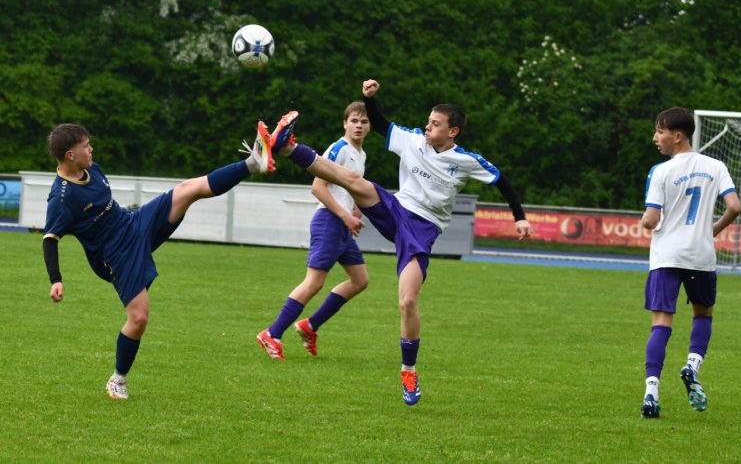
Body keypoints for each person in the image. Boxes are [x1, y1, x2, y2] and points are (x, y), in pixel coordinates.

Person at [260, 79, 532, 406]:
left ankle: (408, 371)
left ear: (453, 131)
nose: (427, 126)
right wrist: (369, 98)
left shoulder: (466, 160)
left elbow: (502, 181)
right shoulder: (413, 140)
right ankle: (287, 147)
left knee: (407, 302)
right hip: (396, 208)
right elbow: (381, 124)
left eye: (435, 124)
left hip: (421, 230)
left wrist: (519, 217)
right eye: (428, 121)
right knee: (354, 181)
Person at [42, 121, 273, 400]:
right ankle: (118, 379)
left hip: (133, 224)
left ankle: (252, 163)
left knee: (187, 189)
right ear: (70, 155)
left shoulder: (90, 167)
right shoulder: (61, 197)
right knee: (139, 318)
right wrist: (56, 279)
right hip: (115, 254)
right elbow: (50, 238)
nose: (91, 149)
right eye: (86, 146)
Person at [640, 107, 741, 418]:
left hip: (667, 256)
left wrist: (645, 221)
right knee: (703, 316)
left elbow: (651, 220)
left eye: (660, 132)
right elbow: (734, 206)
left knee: (661, 323)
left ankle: (651, 394)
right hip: (701, 255)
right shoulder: (716, 166)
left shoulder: (660, 171)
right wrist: (713, 230)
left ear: (678, 136)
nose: (655, 137)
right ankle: (692, 366)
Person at [257, 102, 371, 360]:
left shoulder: (360, 154)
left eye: (364, 122)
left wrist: (355, 211)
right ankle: (272, 334)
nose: (358, 126)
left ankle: (310, 325)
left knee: (359, 280)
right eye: (354, 121)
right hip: (330, 220)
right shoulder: (339, 149)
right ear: (345, 123)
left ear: (369, 126)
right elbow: (318, 188)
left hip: (341, 223)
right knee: (314, 282)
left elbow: (350, 188)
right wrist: (345, 215)